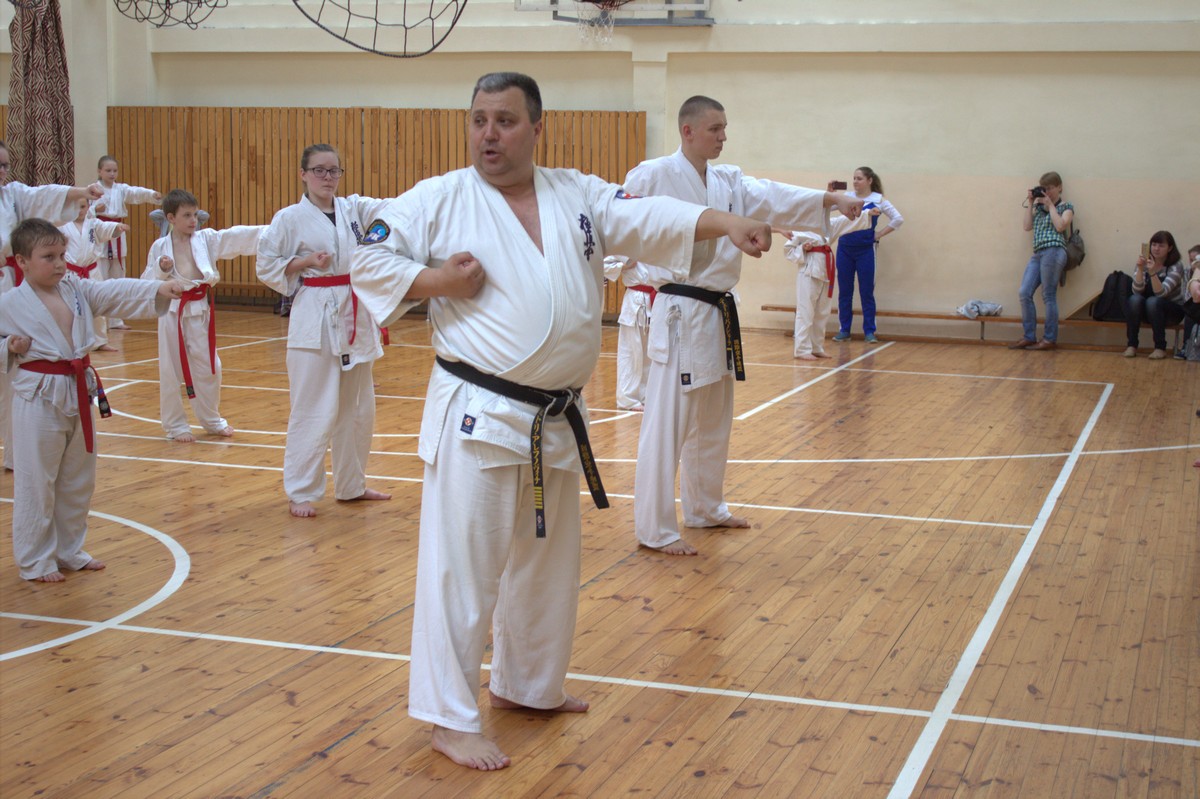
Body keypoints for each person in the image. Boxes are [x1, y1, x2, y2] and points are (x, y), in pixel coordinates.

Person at [350, 72, 772, 772]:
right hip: (478, 413)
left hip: (554, 416)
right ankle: (448, 717)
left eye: (505, 120)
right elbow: (367, 256)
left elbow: (650, 216)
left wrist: (725, 222)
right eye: (479, 119)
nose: (489, 133)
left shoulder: (576, 193)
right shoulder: (438, 198)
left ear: (536, 128)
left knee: (546, 564)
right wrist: (436, 283)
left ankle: (527, 685)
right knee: (463, 571)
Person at [624, 95, 862, 557]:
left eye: (725, 128)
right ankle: (655, 527)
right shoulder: (652, 175)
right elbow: (626, 224)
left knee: (714, 419)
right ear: (688, 131)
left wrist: (831, 198)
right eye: (715, 129)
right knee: (668, 423)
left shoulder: (728, 179)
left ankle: (705, 507)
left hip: (717, 310)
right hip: (680, 310)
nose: (723, 137)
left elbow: (774, 196)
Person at [0, 218, 182, 581]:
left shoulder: (74, 290)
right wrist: (8, 346)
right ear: (21, 261)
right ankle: (35, 559)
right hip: (37, 396)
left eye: (62, 255)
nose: (59, 264)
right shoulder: (9, 303)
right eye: (48, 257)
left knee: (78, 478)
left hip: (77, 389)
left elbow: (113, 291)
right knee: (37, 481)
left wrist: (158, 288)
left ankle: (68, 550)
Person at [256, 144, 392, 517]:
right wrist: (303, 262)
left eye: (334, 171)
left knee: (358, 408)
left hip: (354, 311)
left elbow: (393, 208)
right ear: (303, 174)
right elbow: (265, 265)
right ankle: (301, 490)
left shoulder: (353, 209)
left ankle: (352, 484)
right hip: (314, 313)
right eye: (319, 170)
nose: (327, 178)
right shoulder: (289, 218)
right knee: (313, 406)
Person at [0, 140, 103, 472]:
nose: (3, 171)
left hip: (10, 282)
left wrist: (79, 192)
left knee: (14, 373)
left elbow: (40, 195)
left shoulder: (11, 195)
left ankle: (16, 454)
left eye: (5, 165)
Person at [143, 189, 264, 442]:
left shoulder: (205, 240)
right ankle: (175, 425)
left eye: (195, 214)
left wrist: (275, 230)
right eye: (186, 215)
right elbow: (145, 282)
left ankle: (211, 419)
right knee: (170, 369)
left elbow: (236, 237)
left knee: (210, 367)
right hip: (172, 312)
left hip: (199, 309)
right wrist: (161, 270)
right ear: (171, 218)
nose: (193, 220)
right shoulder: (160, 248)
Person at [782, 207, 878, 359]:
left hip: (826, 271)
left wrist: (867, 214)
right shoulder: (800, 229)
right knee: (805, 311)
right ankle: (801, 350)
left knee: (822, 312)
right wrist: (803, 249)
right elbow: (788, 250)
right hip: (808, 272)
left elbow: (845, 221)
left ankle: (816, 347)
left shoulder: (828, 226)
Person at [831, 167, 903, 344]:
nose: (855, 181)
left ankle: (869, 331)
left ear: (869, 180)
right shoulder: (846, 197)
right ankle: (844, 330)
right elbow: (825, 208)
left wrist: (878, 234)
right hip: (845, 249)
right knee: (845, 291)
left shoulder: (878, 200)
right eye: (854, 178)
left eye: (859, 178)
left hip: (866, 250)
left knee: (866, 291)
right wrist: (830, 193)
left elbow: (898, 219)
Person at [93, 155, 162, 329]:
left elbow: (136, 193)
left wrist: (152, 195)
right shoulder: (92, 190)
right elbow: (81, 208)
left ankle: (116, 320)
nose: (112, 174)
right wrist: (94, 209)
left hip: (118, 232)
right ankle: (100, 322)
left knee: (118, 277)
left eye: (114, 171)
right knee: (101, 278)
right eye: (108, 170)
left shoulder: (121, 189)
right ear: (99, 171)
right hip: (100, 232)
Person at [1010, 171, 1074, 351]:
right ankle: (1029, 336)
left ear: (1059, 187)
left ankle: (1049, 339)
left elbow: (1061, 226)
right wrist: (1031, 203)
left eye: (1050, 188)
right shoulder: (1038, 208)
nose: (1047, 192)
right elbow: (1026, 226)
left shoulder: (1066, 207)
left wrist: (1051, 205)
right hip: (1038, 254)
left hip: (1054, 250)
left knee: (1048, 295)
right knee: (1024, 292)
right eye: (1044, 189)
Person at [58, 199, 130, 352]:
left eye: (83, 207)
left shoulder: (93, 223)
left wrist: (117, 227)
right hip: (69, 272)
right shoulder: (61, 225)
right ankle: (70, 342)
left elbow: (106, 228)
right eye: (75, 207)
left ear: (88, 208)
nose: (79, 210)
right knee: (68, 308)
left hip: (91, 271)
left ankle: (100, 341)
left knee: (98, 304)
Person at [1122, 231, 1186, 360]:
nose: (1156, 249)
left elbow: (1161, 293)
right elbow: (1136, 291)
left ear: (1170, 248)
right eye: (1154, 245)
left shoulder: (1176, 266)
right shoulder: (1145, 262)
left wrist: (1152, 272)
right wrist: (1141, 269)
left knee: (1153, 301)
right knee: (1134, 299)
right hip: (1149, 310)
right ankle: (1132, 345)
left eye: (1161, 246)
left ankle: (1160, 348)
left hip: (1172, 311)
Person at [602, 256, 655, 410]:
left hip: (655, 299)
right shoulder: (628, 245)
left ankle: (645, 395)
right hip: (635, 301)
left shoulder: (657, 243)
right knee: (632, 352)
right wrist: (622, 266)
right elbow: (602, 264)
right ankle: (627, 399)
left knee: (650, 354)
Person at [1174, 244, 1199, 360]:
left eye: (1195, 260)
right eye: (1191, 260)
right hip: (1193, 303)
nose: (1193, 263)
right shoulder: (1187, 271)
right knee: (1189, 312)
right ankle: (1186, 347)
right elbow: (1185, 294)